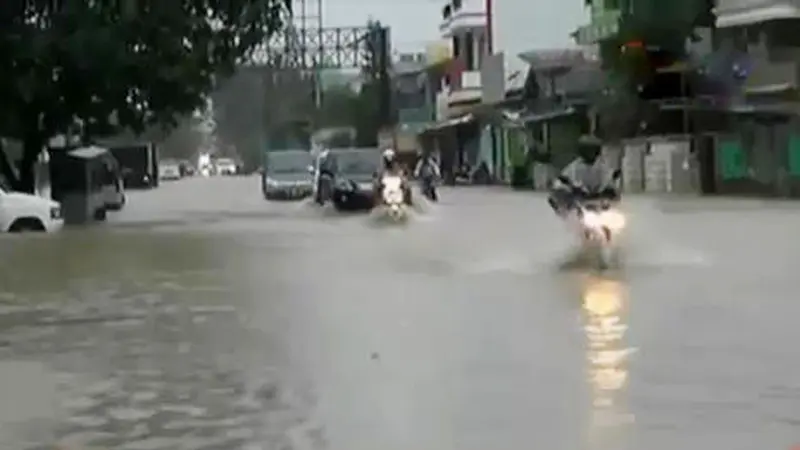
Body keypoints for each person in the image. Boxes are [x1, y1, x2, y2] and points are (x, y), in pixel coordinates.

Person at [548, 135, 620, 216]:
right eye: (588, 150)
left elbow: (609, 182)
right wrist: (566, 193)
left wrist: (610, 192)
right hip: (578, 204)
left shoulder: (603, 167)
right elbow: (561, 183)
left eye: (593, 150)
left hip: (598, 203)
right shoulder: (574, 167)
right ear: (582, 151)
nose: (591, 153)